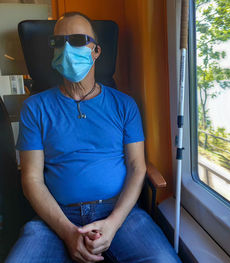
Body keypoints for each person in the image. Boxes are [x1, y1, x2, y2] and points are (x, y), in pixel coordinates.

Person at [6, 12, 180, 263]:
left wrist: (113, 223)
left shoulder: (124, 105)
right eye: (58, 42)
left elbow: (136, 166)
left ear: (96, 51)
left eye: (77, 40)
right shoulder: (35, 108)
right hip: (55, 217)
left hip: (120, 213)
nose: (66, 48)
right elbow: (31, 178)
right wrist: (67, 232)